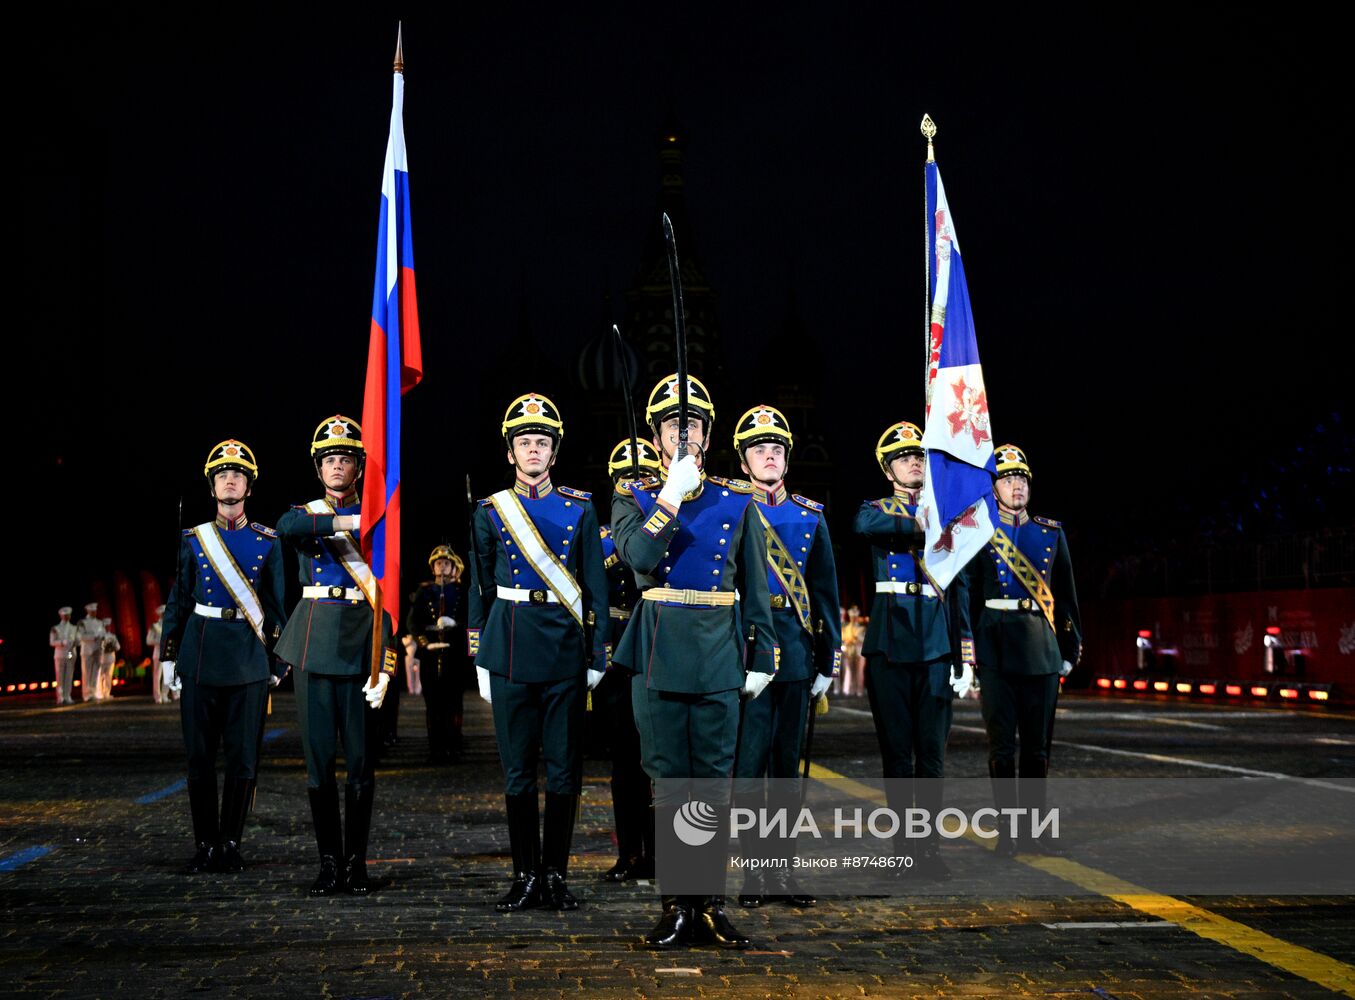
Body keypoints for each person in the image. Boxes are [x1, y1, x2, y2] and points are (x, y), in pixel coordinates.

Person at [610, 373, 777, 950]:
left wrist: (763, 652)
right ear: (656, 438)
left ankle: (709, 904)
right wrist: (670, 496)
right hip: (658, 650)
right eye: (673, 426)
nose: (684, 434)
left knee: (712, 786)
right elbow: (637, 556)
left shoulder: (737, 499)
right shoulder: (632, 494)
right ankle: (675, 906)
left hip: (717, 652)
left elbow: (756, 583)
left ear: (706, 436)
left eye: (694, 426)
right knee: (669, 783)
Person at [468, 394, 609, 912]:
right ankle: (524, 875)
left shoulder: (579, 507)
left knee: (566, 770)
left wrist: (597, 656)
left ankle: (556, 876)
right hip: (507, 650)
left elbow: (593, 587)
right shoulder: (490, 511)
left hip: (565, 652)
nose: (533, 450)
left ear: (554, 452)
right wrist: (479, 654)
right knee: (518, 771)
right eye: (524, 442)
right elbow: (480, 588)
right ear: (510, 453)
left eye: (542, 442)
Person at [274, 415, 397, 896]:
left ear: (359, 467)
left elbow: (387, 590)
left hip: (362, 640)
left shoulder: (381, 518)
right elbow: (287, 527)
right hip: (315, 640)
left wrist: (385, 662)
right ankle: (328, 862)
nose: (337, 466)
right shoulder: (307, 513)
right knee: (319, 761)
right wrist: (349, 520)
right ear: (318, 468)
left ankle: (356, 863)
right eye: (329, 460)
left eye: (345, 458)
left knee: (362, 761)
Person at [159, 439, 288, 873]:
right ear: (212, 486)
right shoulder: (194, 540)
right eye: (221, 475)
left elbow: (276, 606)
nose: (229, 480)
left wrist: (276, 660)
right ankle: (205, 844)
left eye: (238, 475)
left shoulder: (269, 541)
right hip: (200, 654)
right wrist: (167, 655)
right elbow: (177, 600)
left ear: (248, 488)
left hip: (248, 659)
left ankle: (231, 842)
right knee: (198, 757)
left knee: (243, 757)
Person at [730, 405, 841, 909]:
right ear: (744, 460)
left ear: (786, 459)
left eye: (776, 450)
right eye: (759, 450)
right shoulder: (732, 508)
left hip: (795, 652)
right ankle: (754, 876)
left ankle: (782, 874)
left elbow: (825, 594)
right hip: (748, 650)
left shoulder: (809, 515)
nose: (769, 456)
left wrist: (827, 659)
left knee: (786, 774)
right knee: (750, 771)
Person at [854, 420, 973, 879]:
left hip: (936, 645)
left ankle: (929, 849)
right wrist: (923, 519)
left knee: (932, 753)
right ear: (888, 470)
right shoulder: (877, 509)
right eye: (904, 458)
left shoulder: (950, 516)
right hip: (891, 643)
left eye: (919, 457)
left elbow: (959, 588)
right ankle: (904, 847)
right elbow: (866, 525)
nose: (913, 463)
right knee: (897, 753)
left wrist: (964, 655)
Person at [964, 444, 1081, 857]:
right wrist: (968, 650)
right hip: (995, 646)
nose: (1017, 485)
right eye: (1008, 479)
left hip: (1042, 649)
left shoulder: (1049, 532)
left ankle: (1035, 830)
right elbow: (971, 593)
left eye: (1022, 479)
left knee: (1037, 748)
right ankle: (1009, 833)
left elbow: (1065, 596)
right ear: (994, 487)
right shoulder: (980, 532)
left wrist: (1069, 648)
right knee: (1002, 748)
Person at [596, 437, 663, 883]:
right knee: (623, 761)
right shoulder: (602, 537)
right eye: (625, 478)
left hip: (654, 642)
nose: (635, 483)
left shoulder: (666, 530)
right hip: (615, 652)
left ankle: (660, 854)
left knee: (656, 758)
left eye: (645, 478)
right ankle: (629, 853)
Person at [407, 544, 469, 763]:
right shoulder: (424, 591)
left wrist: (456, 626)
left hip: (455, 653)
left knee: (454, 703)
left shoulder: (463, 592)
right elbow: (413, 623)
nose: (441, 567)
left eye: (446, 563)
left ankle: (454, 745)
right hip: (431, 653)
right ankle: (436, 748)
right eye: (438, 564)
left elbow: (471, 621)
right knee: (433, 704)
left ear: (454, 568)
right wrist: (425, 644)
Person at [147, 604, 177, 704]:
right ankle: (157, 696)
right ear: (160, 615)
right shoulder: (154, 626)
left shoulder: (170, 625)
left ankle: (164, 695)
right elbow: (148, 641)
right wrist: (160, 640)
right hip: (158, 653)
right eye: (163, 614)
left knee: (168, 676)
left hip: (168, 652)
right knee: (157, 676)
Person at [76, 603, 104, 702]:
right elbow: (80, 636)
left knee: (95, 673)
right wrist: (93, 637)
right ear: (87, 611)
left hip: (97, 649)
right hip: (87, 650)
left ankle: (93, 692)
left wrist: (103, 637)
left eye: (95, 611)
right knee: (87, 673)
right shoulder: (82, 622)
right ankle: (87, 694)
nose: (94, 612)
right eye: (92, 611)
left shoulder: (100, 622)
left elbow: (103, 633)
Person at [50, 607, 78, 705]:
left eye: (68, 615)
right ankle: (60, 697)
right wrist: (62, 642)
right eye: (64, 615)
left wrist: (76, 642)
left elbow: (78, 640)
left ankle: (67, 696)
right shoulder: (56, 628)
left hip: (70, 653)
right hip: (60, 653)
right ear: (61, 616)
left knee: (69, 675)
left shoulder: (74, 628)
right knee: (60, 676)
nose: (66, 617)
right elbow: (52, 642)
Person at [97, 618, 120, 700]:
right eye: (106, 626)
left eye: (109, 626)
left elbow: (118, 647)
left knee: (108, 676)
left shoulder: (112, 636)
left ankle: (107, 693)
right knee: (100, 676)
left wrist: (112, 646)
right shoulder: (100, 636)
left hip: (110, 658)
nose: (108, 627)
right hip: (102, 658)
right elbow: (98, 647)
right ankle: (99, 693)